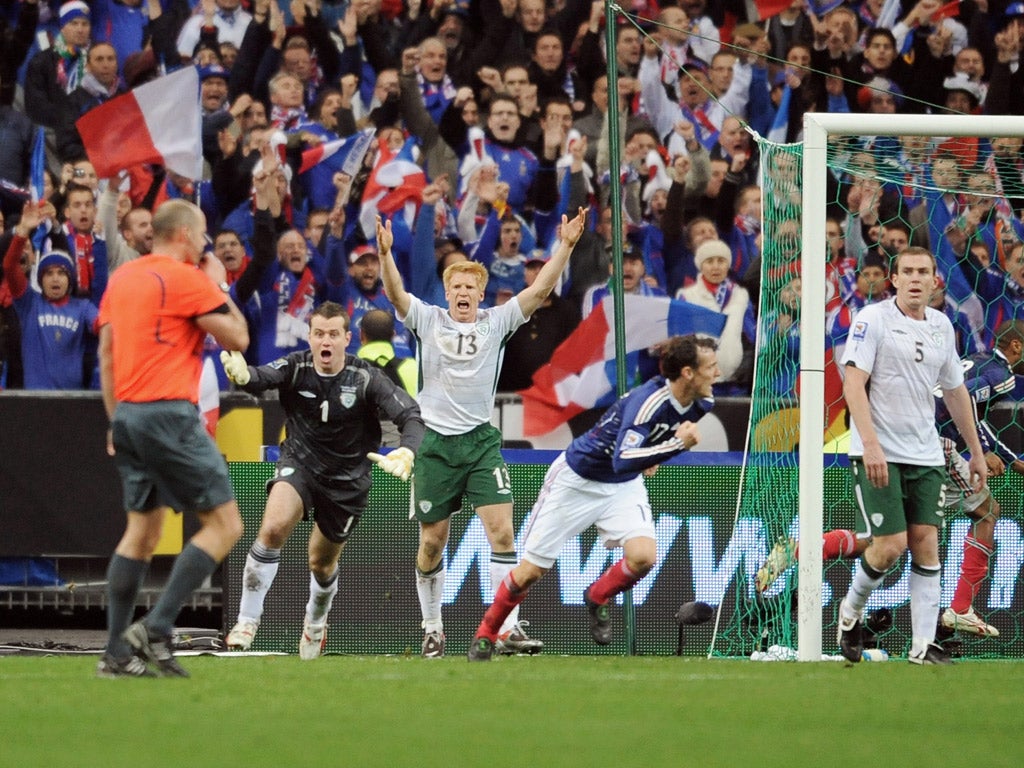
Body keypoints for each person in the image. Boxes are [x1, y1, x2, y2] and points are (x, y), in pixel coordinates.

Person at [377, 206, 587, 658]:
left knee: (504, 535)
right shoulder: (429, 320)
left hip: (479, 442)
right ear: (447, 293)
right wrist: (385, 256)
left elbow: (540, 289)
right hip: (433, 443)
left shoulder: (497, 322)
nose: (463, 293)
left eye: (470, 286)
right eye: (456, 287)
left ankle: (506, 627)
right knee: (432, 542)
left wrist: (566, 245)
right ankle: (432, 626)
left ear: (481, 292)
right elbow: (395, 294)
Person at [758, 320, 1024, 640]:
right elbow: (963, 399)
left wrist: (1006, 456)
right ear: (1016, 346)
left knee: (884, 539)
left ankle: (801, 550)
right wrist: (981, 451)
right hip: (932, 443)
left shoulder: (976, 358)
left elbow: (970, 411)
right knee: (986, 513)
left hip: (901, 435)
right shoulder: (1002, 376)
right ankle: (960, 608)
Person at [467, 335, 721, 660]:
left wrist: (655, 451)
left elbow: (649, 444)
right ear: (687, 373)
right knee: (530, 571)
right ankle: (486, 633)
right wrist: (674, 446)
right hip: (578, 480)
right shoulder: (647, 403)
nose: (717, 373)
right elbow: (622, 457)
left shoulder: (703, 401)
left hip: (622, 485)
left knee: (644, 557)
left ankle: (598, 597)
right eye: (710, 367)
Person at [96, 199, 249, 677]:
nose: (206, 244)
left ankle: (115, 655)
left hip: (129, 415)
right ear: (183, 234)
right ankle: (157, 628)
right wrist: (217, 283)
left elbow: (106, 352)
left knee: (141, 534)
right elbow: (238, 337)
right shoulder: (185, 279)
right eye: (202, 235)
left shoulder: (122, 278)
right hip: (169, 412)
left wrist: (116, 419)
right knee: (226, 526)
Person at [223, 302, 424, 658]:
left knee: (321, 562)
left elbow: (410, 415)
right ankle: (246, 621)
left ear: (348, 339)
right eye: (318, 334)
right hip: (300, 463)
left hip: (347, 480)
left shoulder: (366, 377)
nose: (325, 341)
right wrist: (242, 375)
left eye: (333, 334)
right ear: (310, 337)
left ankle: (315, 622)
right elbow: (260, 379)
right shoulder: (296, 366)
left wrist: (408, 450)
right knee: (272, 528)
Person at [836, 247, 987, 666]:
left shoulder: (942, 326)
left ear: (936, 280)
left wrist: (976, 453)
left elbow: (956, 392)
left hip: (925, 453)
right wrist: (870, 444)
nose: (916, 278)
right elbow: (853, 385)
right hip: (879, 450)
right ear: (894, 279)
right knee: (889, 547)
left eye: (924, 271)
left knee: (927, 545)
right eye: (908, 272)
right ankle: (850, 612)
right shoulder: (873, 320)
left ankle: (922, 646)